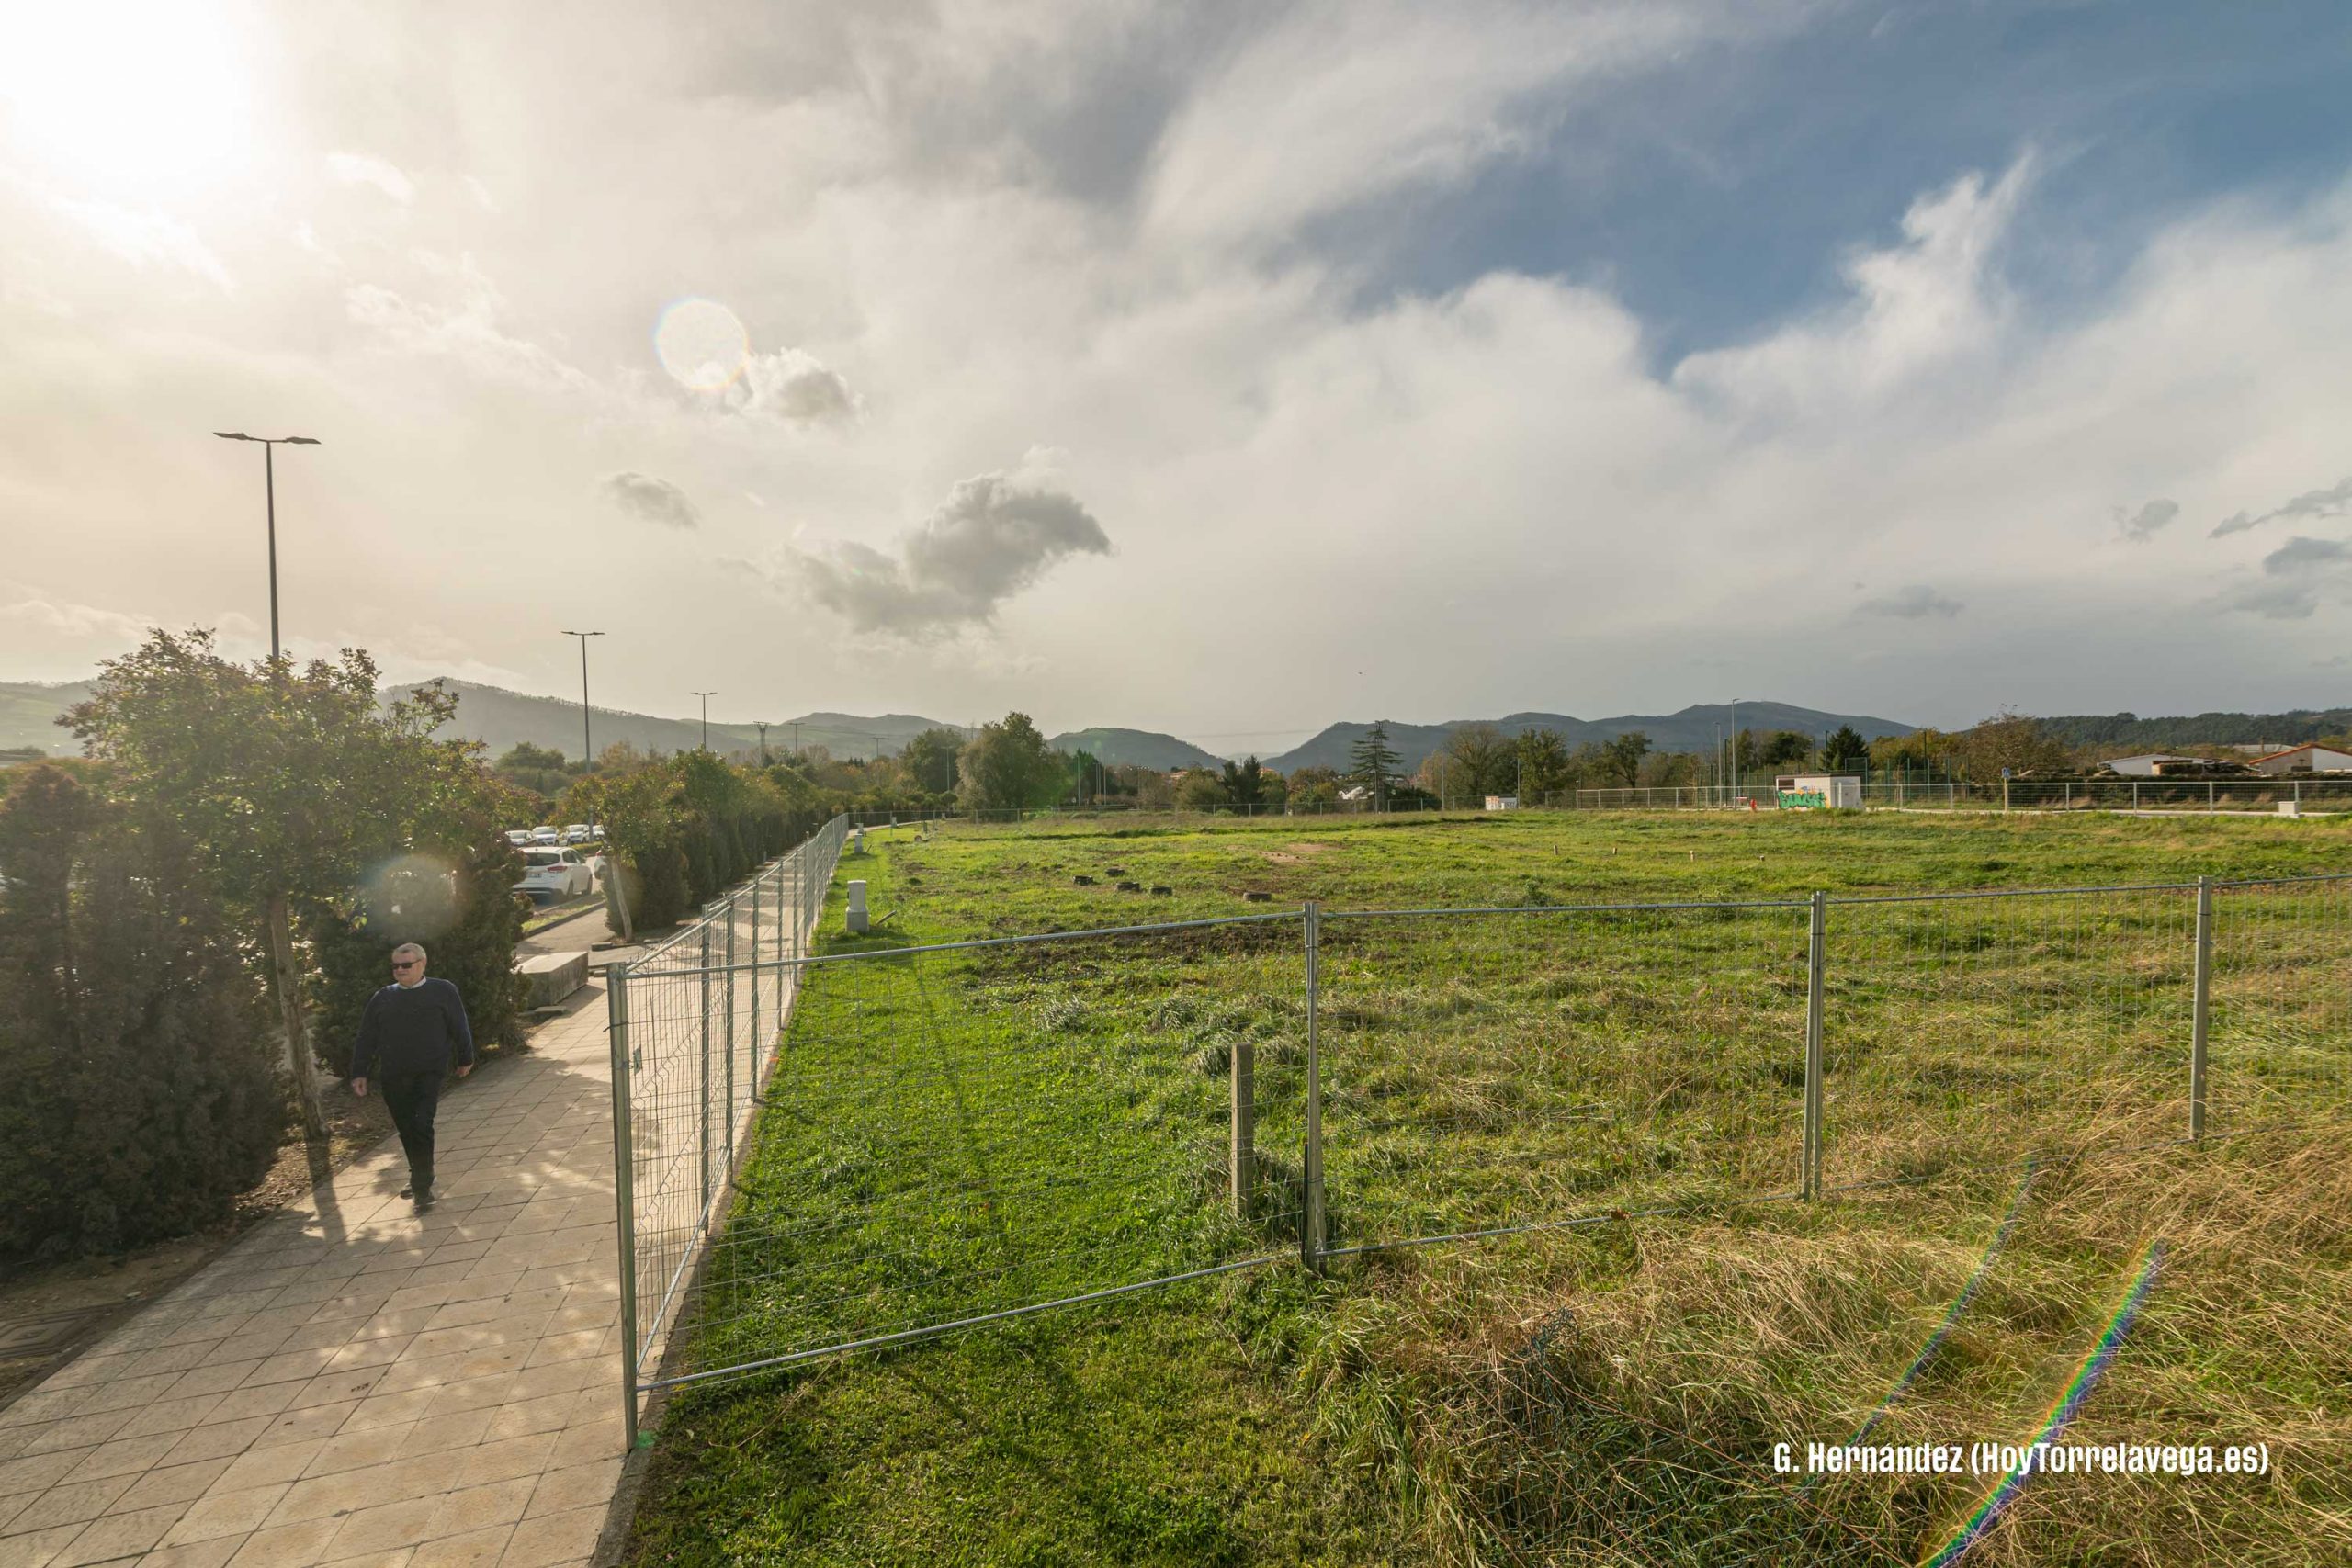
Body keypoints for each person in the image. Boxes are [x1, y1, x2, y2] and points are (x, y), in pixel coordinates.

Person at [349, 942, 474, 1212]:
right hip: (394, 1074)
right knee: (407, 1128)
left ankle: (422, 1186)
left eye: (406, 965)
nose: (400, 970)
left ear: (422, 964)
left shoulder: (443, 991)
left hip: (429, 1071)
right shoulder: (382, 997)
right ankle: (420, 1174)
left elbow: (459, 1025)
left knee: (421, 1123)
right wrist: (359, 1072)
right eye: (395, 966)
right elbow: (366, 1036)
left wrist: (466, 1057)